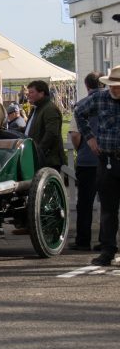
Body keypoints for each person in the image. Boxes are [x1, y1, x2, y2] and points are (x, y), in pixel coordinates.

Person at [74, 65, 120, 266]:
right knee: (108, 209)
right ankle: (108, 250)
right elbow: (79, 112)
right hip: (107, 159)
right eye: (113, 86)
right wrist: (90, 137)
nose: (115, 89)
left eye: (118, 87)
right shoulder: (100, 98)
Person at [70, 72, 103, 251]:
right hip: (108, 159)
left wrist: (82, 148)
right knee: (108, 202)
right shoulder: (112, 103)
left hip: (87, 159)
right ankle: (105, 240)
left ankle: (83, 240)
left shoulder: (81, 105)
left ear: (86, 85)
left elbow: (75, 135)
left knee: (85, 203)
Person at [24, 80, 65, 172]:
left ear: (41, 93)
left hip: (49, 160)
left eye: (31, 92)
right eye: (28, 92)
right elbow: (31, 129)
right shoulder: (37, 108)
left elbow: (51, 133)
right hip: (39, 158)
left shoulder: (50, 109)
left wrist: (38, 151)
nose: (28, 95)